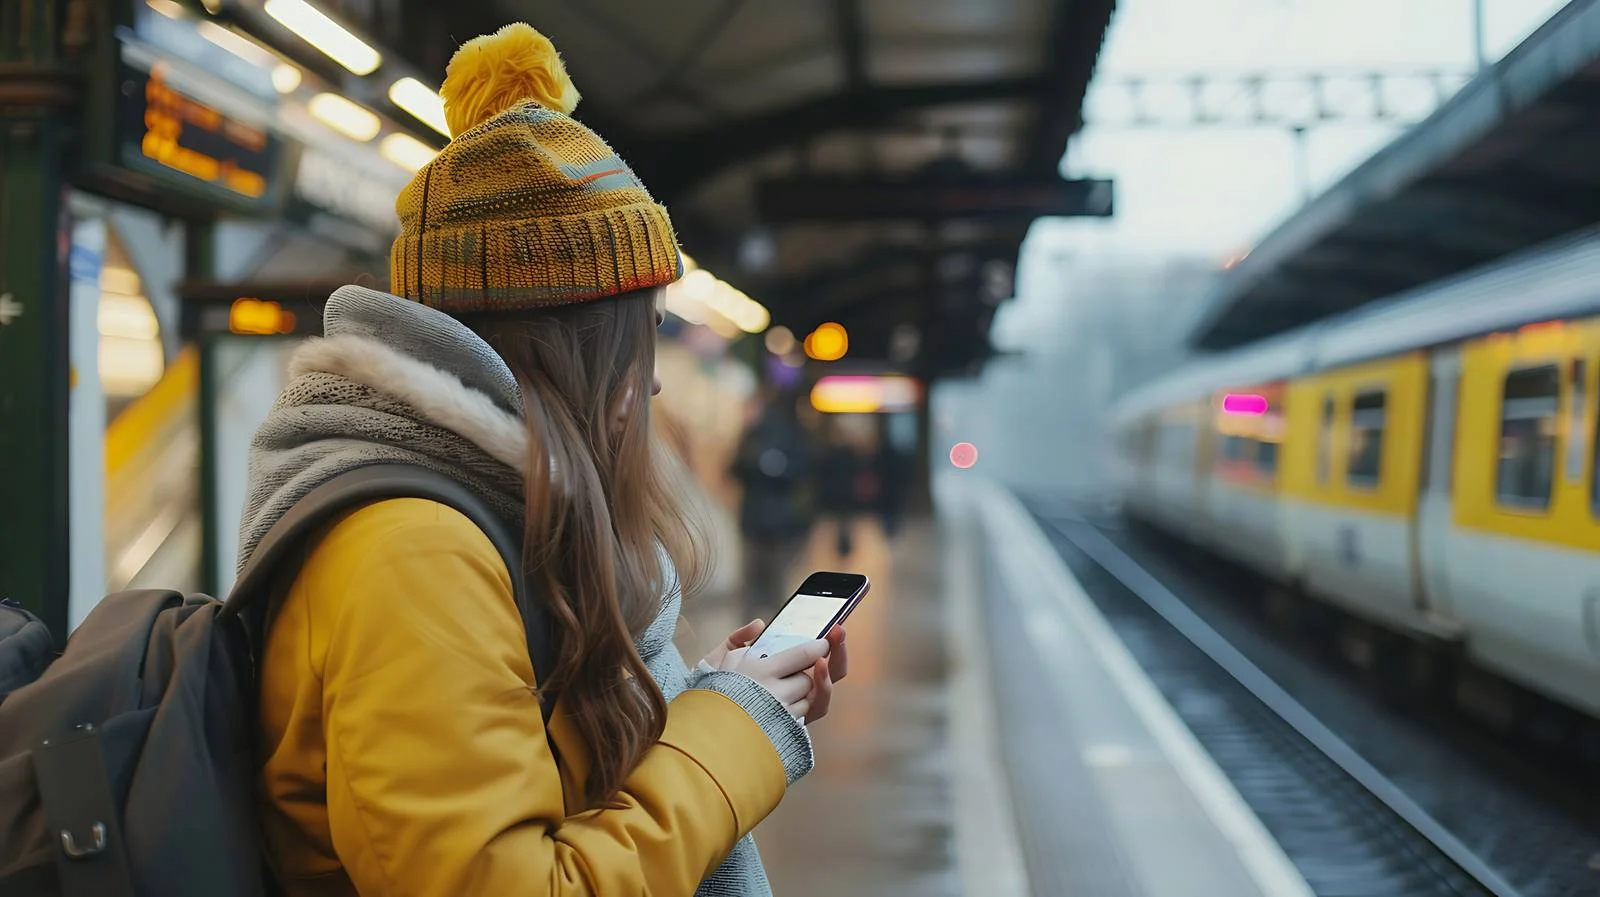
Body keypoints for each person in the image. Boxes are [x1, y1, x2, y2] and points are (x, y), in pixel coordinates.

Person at [236, 23, 847, 897]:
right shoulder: (414, 553)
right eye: (643, 342)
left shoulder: (473, 521)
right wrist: (732, 738)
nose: (653, 388)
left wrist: (710, 700)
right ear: (578, 352)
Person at [730, 387, 814, 618]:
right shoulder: (750, 436)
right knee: (752, 581)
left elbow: (799, 471)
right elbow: (733, 467)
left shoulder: (783, 434)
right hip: (755, 519)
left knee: (776, 580)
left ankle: (775, 628)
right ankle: (751, 630)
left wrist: (772, 468)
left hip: (777, 522)